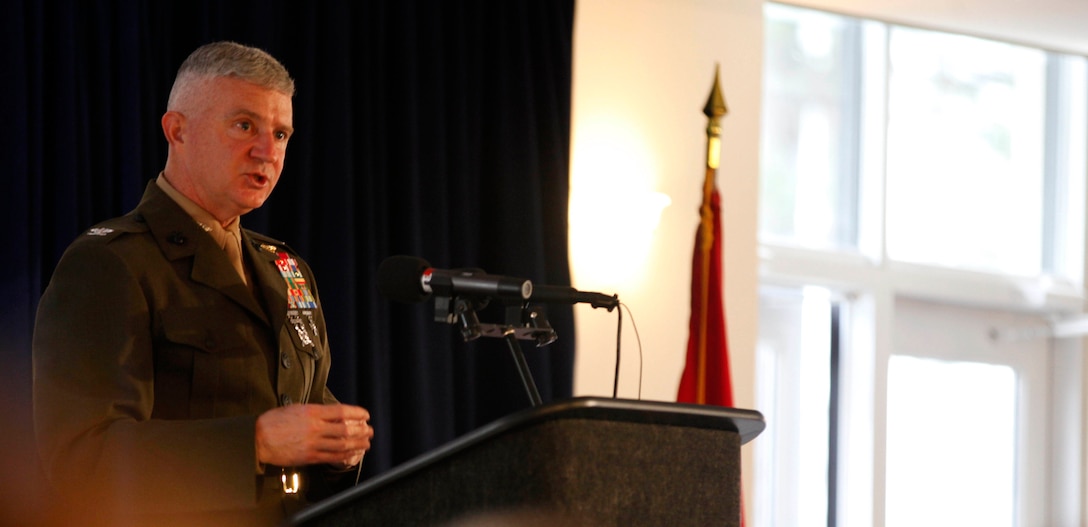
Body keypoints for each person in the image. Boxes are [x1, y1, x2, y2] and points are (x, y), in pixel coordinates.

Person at [32, 41, 373, 527]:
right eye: (244, 126)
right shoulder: (110, 263)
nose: (266, 151)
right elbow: (81, 462)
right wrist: (253, 443)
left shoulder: (284, 266)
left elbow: (303, 410)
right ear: (177, 131)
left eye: (281, 134)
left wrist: (338, 453)